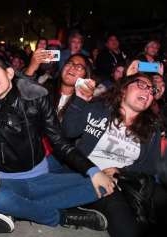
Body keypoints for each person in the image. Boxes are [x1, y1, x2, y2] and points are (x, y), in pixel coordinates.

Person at [0, 54, 115, 231]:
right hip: (8, 179)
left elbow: (61, 140)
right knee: (0, 198)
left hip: (42, 172)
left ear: (9, 72)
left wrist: (93, 171)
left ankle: (19, 209)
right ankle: (62, 216)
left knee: (101, 186)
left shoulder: (38, 95)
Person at [62, 73, 167, 237]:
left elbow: (151, 166)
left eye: (152, 90)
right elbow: (69, 131)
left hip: (127, 179)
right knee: (124, 221)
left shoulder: (152, 128)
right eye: (141, 85)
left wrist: (120, 171)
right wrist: (80, 100)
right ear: (124, 90)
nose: (148, 92)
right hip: (93, 177)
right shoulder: (99, 108)